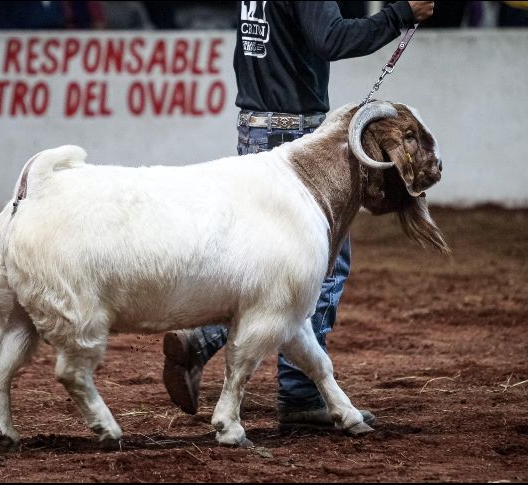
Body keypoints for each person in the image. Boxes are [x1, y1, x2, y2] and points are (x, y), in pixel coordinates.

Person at [162, 0, 434, 429]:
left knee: (258, 261)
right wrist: (400, 14)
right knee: (321, 267)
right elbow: (332, 39)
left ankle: (203, 339)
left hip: (256, 125)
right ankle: (300, 394)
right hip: (293, 133)